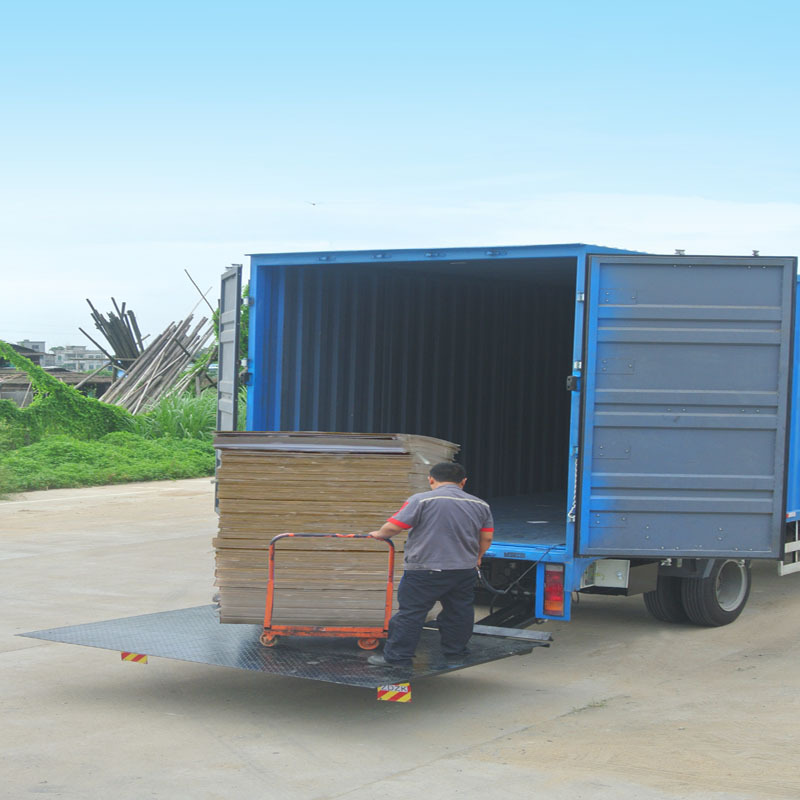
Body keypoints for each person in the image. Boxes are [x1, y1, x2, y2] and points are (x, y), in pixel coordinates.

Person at [367, 461, 494, 667]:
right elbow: (486, 539)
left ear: (431, 479)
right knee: (459, 611)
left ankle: (398, 657)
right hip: (464, 570)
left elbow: (393, 527)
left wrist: (379, 534)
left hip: (424, 570)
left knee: (412, 613)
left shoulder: (421, 500)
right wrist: (477, 556)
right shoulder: (480, 505)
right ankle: (456, 654)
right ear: (463, 482)